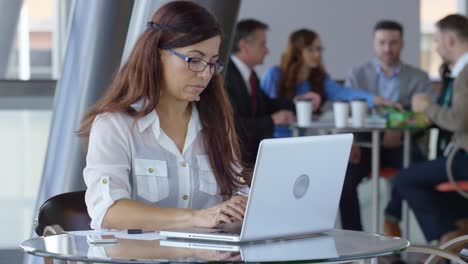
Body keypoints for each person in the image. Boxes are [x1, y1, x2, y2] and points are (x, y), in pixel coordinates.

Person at [78, 1, 249, 231]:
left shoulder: (216, 124)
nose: (206, 74)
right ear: (157, 55)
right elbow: (108, 212)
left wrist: (242, 203)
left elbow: (236, 189)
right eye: (194, 60)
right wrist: (196, 217)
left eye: (212, 63)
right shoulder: (114, 126)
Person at [341, 20, 435, 232]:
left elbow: (428, 115)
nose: (387, 48)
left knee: (416, 172)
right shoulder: (357, 74)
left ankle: (392, 216)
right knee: (344, 183)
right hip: (364, 144)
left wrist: (402, 130)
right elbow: (346, 112)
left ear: (402, 44)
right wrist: (351, 140)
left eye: (393, 43)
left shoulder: (418, 77)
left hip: (403, 142)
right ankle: (354, 243)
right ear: (374, 44)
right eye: (382, 42)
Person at [387, 14, 468, 243]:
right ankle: (457, 231)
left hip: (464, 158)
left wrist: (427, 107)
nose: (436, 47)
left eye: (437, 40)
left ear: (450, 40)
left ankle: (447, 236)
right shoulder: (460, 71)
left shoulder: (465, 73)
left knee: (405, 179)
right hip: (458, 155)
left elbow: (457, 121)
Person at [260, 29, 389, 138]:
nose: (317, 54)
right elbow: (262, 108)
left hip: (302, 141)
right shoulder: (274, 75)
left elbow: (343, 92)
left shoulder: (318, 78)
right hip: (273, 140)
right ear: (297, 52)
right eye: (310, 49)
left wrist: (376, 100)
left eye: (319, 49)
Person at [224, 20, 320, 165]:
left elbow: (267, 104)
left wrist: (296, 102)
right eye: (262, 44)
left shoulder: (250, 75)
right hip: (235, 162)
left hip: (251, 158)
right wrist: (272, 120)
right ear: (244, 46)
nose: (267, 50)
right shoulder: (225, 75)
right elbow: (232, 126)